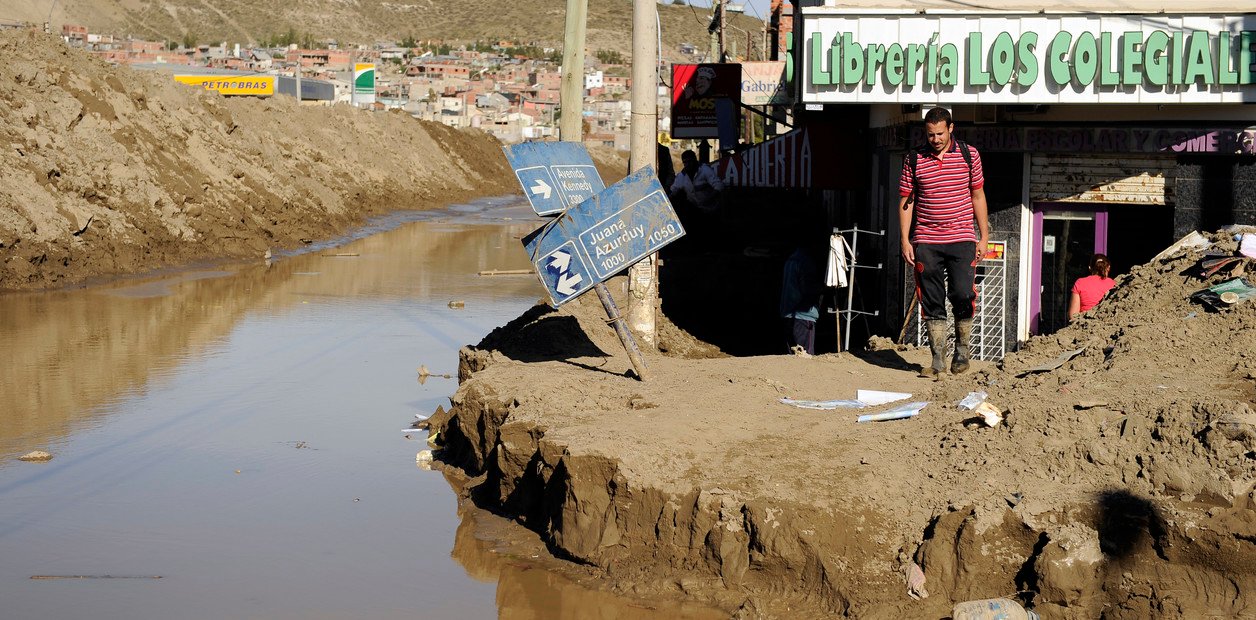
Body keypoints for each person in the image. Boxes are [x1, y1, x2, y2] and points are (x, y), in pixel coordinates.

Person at [898, 107, 989, 377]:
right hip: (926, 240)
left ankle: (962, 352)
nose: (935, 139)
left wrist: (984, 236)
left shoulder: (969, 155)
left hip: (962, 238)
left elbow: (978, 196)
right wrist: (905, 240)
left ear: (951, 128)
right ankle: (937, 359)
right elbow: (906, 202)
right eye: (930, 134)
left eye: (939, 133)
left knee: (963, 293)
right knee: (931, 298)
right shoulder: (913, 159)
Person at [780, 245, 822, 355]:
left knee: (792, 357)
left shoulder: (791, 260)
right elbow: (807, 288)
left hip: (788, 314)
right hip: (803, 316)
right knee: (805, 358)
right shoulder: (806, 261)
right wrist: (825, 288)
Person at [1068, 254, 1115, 321]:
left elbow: (1073, 316)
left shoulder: (1080, 283)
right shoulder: (1114, 284)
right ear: (1108, 268)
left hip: (1084, 326)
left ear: (1090, 268)